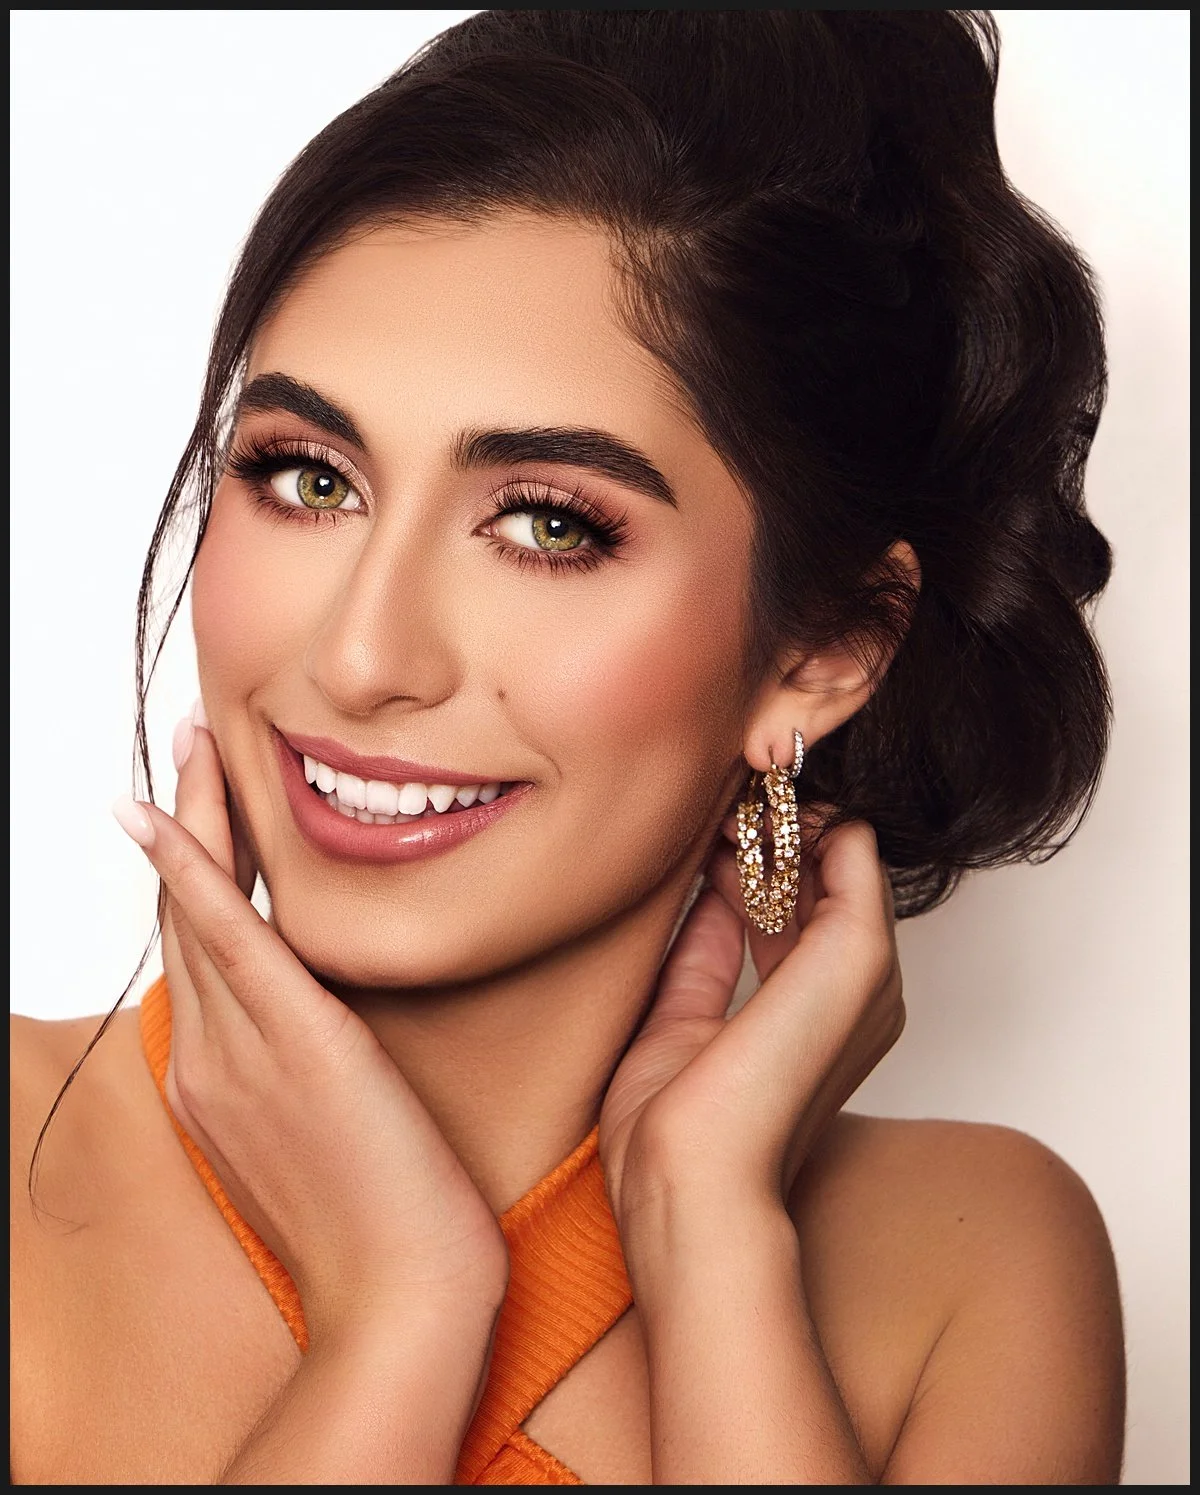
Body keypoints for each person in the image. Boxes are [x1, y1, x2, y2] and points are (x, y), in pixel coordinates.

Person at [9, 11, 1126, 1485]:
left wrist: (711, 1231)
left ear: (824, 650)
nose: (359, 656)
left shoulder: (973, 1270)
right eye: (306, 475)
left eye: (548, 523)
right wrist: (398, 1312)